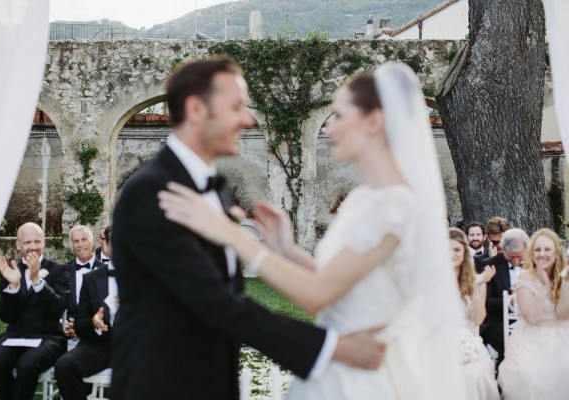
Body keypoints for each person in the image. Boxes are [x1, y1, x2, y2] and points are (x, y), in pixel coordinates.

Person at [159, 62, 467, 399]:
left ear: (374, 122)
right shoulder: (363, 199)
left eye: (338, 115)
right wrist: (286, 250)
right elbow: (340, 286)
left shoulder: (395, 207)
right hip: (337, 367)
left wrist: (229, 232)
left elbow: (317, 295)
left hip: (364, 376)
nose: (329, 127)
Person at [110, 58, 387, 400]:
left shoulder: (218, 190)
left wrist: (279, 250)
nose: (246, 119)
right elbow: (212, 301)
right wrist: (331, 347)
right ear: (197, 109)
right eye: (237, 106)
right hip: (160, 384)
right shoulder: (152, 193)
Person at [0, 222, 69, 400]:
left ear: (44, 242)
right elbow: (5, 316)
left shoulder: (59, 270)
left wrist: (37, 281)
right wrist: (13, 286)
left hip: (49, 337)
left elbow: (58, 308)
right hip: (15, 335)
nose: (33, 247)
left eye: (37, 241)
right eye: (27, 242)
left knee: (27, 365)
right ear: (18, 245)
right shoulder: (10, 271)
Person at [498, 228, 569, 399]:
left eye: (547, 249)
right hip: (531, 336)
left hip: (562, 334)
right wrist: (543, 287)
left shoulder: (564, 276)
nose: (542, 254)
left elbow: (562, 314)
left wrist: (565, 284)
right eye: (537, 249)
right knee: (531, 374)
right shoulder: (525, 277)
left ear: (556, 252)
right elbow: (531, 318)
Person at [55, 228, 117, 400]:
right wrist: (93, 322)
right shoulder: (92, 279)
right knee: (64, 366)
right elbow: (80, 324)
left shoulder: (142, 278)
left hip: (133, 344)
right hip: (100, 344)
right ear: (106, 246)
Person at [449, 228, 499, 400]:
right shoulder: (431, 283)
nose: (452, 254)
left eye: (456, 249)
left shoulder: (475, 281)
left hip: (467, 340)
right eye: (447, 249)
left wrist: (478, 287)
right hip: (438, 339)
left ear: (464, 253)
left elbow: (477, 318)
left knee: (475, 375)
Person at [479, 228, 529, 361]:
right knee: (513, 344)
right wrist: (510, 300)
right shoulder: (489, 265)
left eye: (520, 257)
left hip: (528, 320)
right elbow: (486, 303)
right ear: (503, 249)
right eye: (512, 257)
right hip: (498, 321)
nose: (516, 261)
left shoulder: (533, 265)